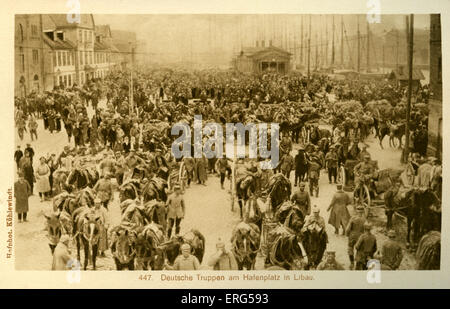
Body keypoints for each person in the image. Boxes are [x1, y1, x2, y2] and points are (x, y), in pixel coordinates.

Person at [345, 205, 366, 270]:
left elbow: (347, 229)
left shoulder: (353, 218)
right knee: (359, 250)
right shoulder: (364, 219)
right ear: (362, 211)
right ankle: (357, 264)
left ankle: (351, 263)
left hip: (352, 235)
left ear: (357, 211)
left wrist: (347, 234)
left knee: (350, 249)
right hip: (360, 236)